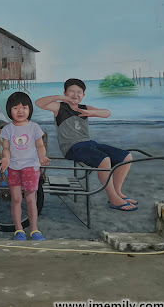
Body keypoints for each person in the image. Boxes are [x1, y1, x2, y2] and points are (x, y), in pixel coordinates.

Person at [35, 78, 137, 211]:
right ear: (65, 92)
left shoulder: (84, 108)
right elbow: (39, 103)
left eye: (79, 92)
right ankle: (113, 198)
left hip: (88, 144)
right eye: (71, 91)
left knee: (126, 157)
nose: (75, 94)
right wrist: (59, 98)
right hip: (71, 147)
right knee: (104, 160)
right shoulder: (59, 107)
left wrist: (90, 113)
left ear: (83, 95)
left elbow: (107, 113)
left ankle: (118, 192)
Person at [0, 92, 50, 241]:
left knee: (30, 198)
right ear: (9, 110)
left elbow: (40, 145)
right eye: (15, 108)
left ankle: (34, 229)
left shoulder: (34, 127)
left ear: (29, 109)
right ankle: (19, 230)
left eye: (24, 108)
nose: (20, 111)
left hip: (30, 166)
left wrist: (42, 157)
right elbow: (6, 148)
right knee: (15, 198)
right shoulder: (7, 129)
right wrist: (6, 159)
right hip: (13, 167)